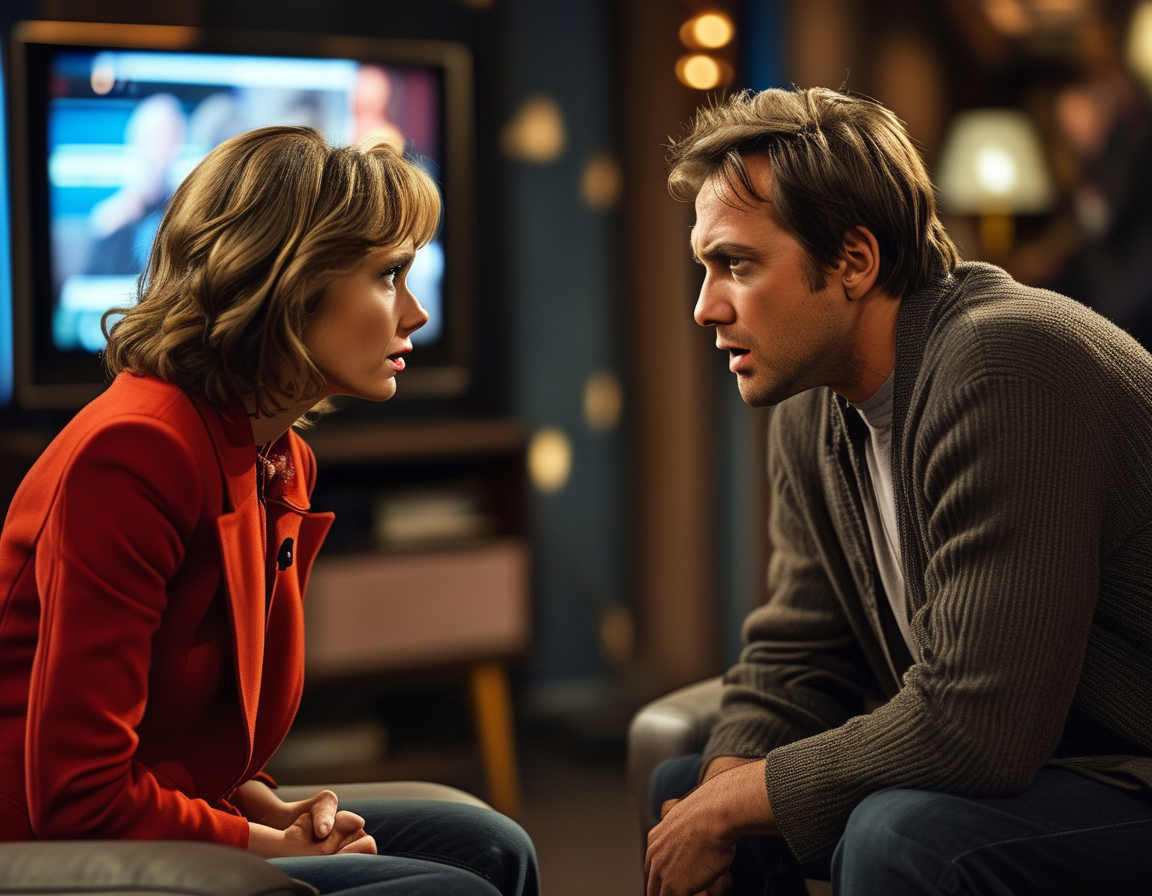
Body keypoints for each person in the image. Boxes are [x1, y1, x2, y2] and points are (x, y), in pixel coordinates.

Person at [0, 125, 538, 896]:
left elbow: (186, 732)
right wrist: (264, 844)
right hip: (53, 851)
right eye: (390, 275)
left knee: (492, 848)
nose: (417, 312)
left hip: (159, 816)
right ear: (288, 281)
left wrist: (270, 810)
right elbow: (78, 794)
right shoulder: (134, 452)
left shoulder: (281, 456)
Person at [643, 86, 1152, 896]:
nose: (705, 307)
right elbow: (801, 652)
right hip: (1058, 759)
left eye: (736, 264)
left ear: (854, 261)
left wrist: (739, 801)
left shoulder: (1005, 366)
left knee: (901, 835)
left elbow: (980, 724)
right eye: (705, 268)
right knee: (687, 784)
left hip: (1128, 766)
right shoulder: (812, 405)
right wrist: (721, 789)